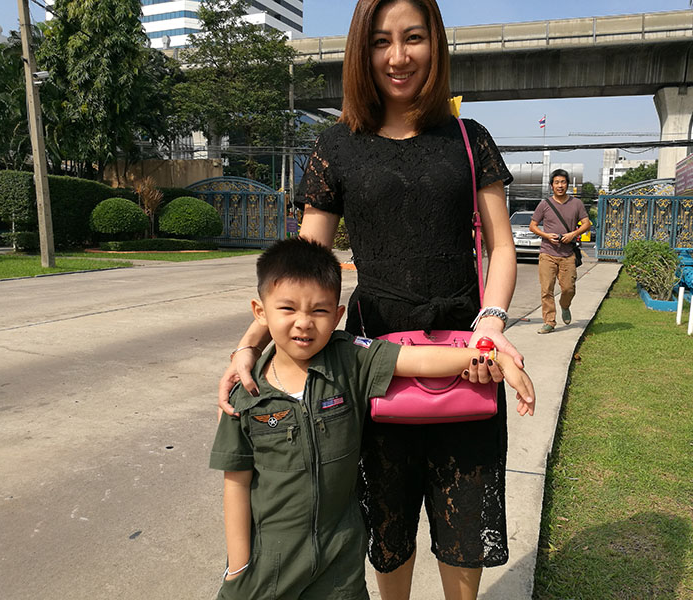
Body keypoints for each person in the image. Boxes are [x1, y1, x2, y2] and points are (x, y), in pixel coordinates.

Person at [218, 1, 523, 598]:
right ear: (363, 51)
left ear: (434, 43)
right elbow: (300, 271)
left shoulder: (468, 138)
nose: (398, 56)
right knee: (389, 525)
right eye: (382, 41)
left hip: (467, 351)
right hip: (370, 362)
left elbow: (502, 249)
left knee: (464, 523)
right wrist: (249, 343)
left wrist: (491, 323)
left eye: (413, 38)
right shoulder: (339, 144)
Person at [210, 238, 535, 599]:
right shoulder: (247, 392)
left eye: (319, 311)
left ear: (337, 315)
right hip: (267, 569)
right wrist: (239, 566)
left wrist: (494, 358)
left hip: (340, 567)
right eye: (287, 308)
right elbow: (236, 481)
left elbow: (419, 362)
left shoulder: (351, 358)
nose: (303, 323)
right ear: (260, 312)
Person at [528, 169, 592, 334]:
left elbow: (586, 223)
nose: (560, 185)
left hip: (567, 255)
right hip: (547, 253)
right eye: (556, 182)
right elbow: (533, 226)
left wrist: (573, 234)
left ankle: (565, 306)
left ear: (567, 184)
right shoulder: (545, 204)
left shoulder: (576, 204)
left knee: (568, 289)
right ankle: (549, 321)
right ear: (551, 186)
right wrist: (546, 235)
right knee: (546, 290)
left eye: (563, 182)